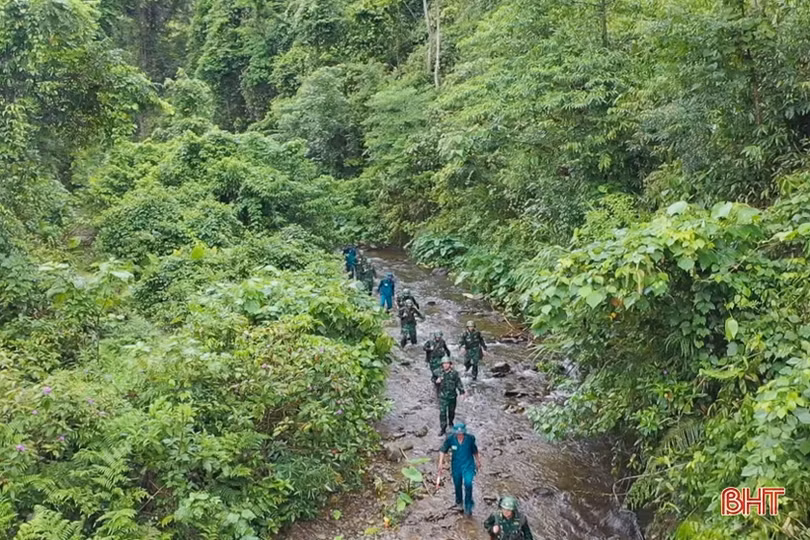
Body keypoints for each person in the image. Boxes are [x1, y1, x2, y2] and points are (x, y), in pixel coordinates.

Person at [436, 423, 480, 517]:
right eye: (458, 433)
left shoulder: (470, 439)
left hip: (468, 464)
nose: (460, 435)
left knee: (468, 483)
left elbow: (474, 450)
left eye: (461, 433)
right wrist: (440, 463)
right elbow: (443, 450)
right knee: (457, 484)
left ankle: (468, 505)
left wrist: (478, 461)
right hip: (456, 465)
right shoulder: (450, 439)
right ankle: (459, 502)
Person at [433, 358, 465, 435]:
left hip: (452, 396)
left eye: (447, 363)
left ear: (450, 364)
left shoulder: (454, 373)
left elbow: (458, 383)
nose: (445, 365)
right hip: (442, 396)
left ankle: (451, 423)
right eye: (444, 363)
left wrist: (462, 392)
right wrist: (436, 381)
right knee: (442, 412)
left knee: (451, 412)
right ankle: (443, 429)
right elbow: (433, 378)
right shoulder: (437, 372)